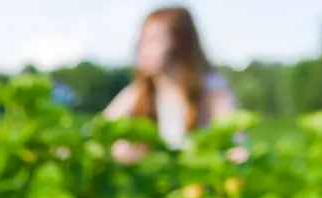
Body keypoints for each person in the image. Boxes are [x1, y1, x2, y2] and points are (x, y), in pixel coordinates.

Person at [102, 6, 241, 162]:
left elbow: (237, 145)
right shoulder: (138, 92)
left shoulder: (211, 89)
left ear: (179, 43)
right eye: (142, 39)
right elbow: (99, 130)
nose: (142, 48)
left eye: (153, 39)